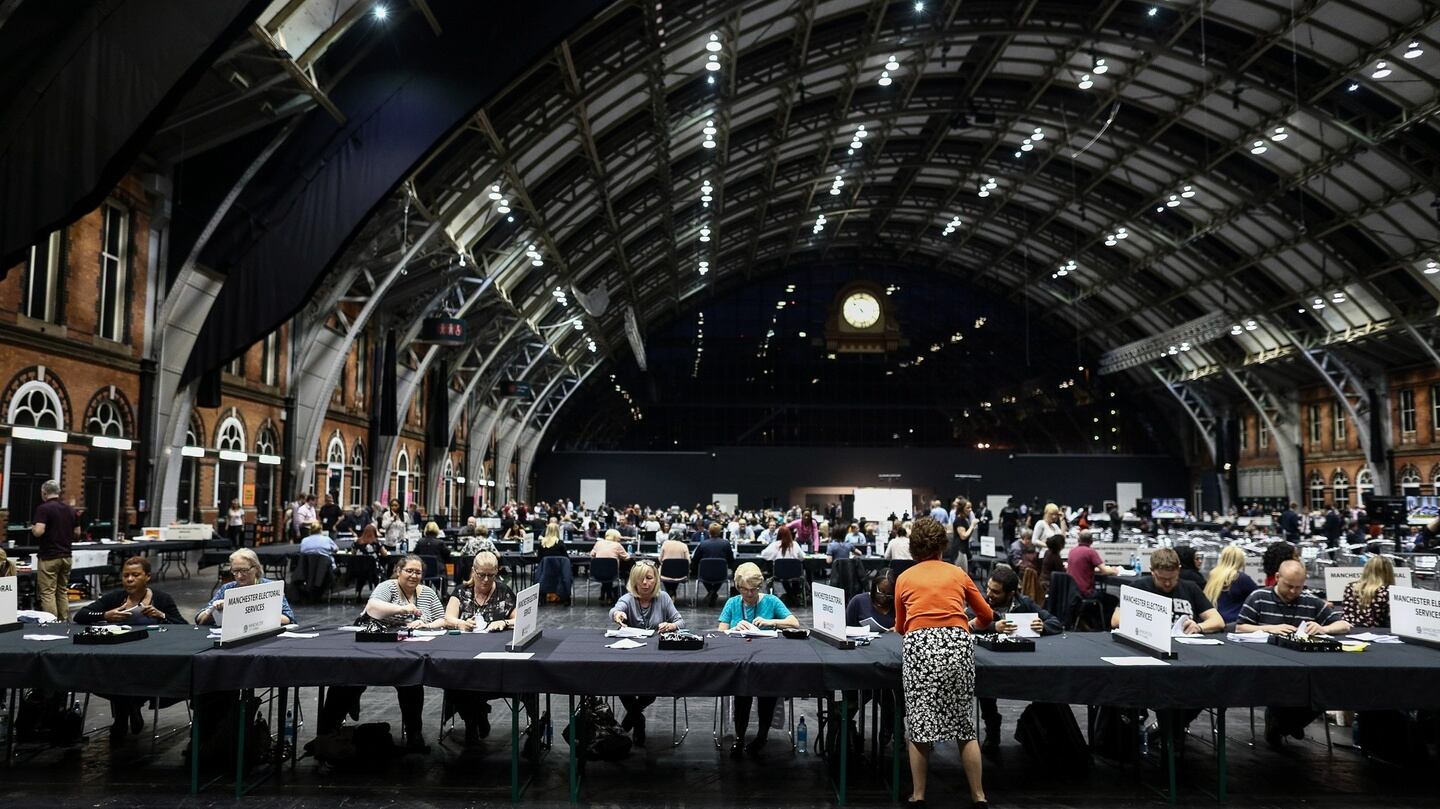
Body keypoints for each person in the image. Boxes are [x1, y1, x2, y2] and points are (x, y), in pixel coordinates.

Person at [895, 516, 992, 809]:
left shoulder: (904, 578)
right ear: (942, 546)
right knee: (964, 725)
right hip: (956, 646)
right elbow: (987, 615)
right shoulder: (958, 573)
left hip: (920, 646)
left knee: (920, 723)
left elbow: (901, 627)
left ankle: (919, 795)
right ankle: (979, 796)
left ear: (913, 548)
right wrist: (965, 624)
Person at [319, 555, 446, 751]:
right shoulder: (388, 587)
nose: (413, 575)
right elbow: (372, 608)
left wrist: (426, 624)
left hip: (409, 650)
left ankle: (414, 734)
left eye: (418, 572)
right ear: (398, 571)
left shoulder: (428, 593)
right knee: (346, 680)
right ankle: (327, 734)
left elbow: (442, 619)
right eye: (409, 571)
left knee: (411, 683)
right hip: (373, 647)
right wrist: (403, 609)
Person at [1237, 560, 1351, 746]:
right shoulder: (1258, 597)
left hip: (1305, 668)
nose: (1293, 592)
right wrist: (1269, 628)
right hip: (1267, 667)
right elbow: (1240, 627)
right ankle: (1284, 722)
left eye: (1298, 587)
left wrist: (1324, 629)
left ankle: (1285, 723)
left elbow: (1344, 625)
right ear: (1277, 578)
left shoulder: (1311, 601)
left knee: (1325, 688)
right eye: (1289, 586)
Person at [74, 556, 187, 740]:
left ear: (147, 576)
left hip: (151, 659)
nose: (129, 579)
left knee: (128, 674)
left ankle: (123, 716)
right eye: (126, 575)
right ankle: (129, 710)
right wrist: (106, 614)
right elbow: (81, 615)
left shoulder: (162, 599)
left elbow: (184, 626)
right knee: (110, 672)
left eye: (135, 575)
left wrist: (162, 615)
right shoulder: (115, 598)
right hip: (116, 656)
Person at [443, 551, 537, 748]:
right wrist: (460, 623)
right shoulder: (461, 592)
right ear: (473, 571)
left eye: (491, 575)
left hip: (498, 658)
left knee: (528, 677)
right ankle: (472, 721)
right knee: (455, 678)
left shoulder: (503, 592)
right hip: (466, 656)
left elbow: (521, 619)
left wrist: (503, 621)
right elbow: (448, 618)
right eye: (481, 574)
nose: (486, 580)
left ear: (497, 572)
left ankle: (535, 727)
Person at [972, 564, 1062, 751]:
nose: (989, 594)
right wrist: (992, 626)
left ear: (1011, 593)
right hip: (991, 660)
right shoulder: (981, 602)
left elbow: (1055, 622)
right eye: (988, 588)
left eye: (995, 592)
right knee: (986, 688)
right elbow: (965, 622)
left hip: (1021, 659)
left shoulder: (1025, 603)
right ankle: (992, 728)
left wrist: (1042, 626)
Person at [717, 562, 799, 756]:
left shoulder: (771, 601)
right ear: (738, 588)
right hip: (739, 660)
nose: (749, 594)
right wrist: (733, 629)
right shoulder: (732, 602)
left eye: (753, 590)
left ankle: (762, 735)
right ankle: (739, 737)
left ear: (759, 587)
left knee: (767, 693)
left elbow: (794, 623)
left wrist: (772, 621)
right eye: (744, 590)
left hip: (767, 660)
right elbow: (720, 632)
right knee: (742, 694)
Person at [611, 561, 683, 745]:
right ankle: (638, 720)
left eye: (649, 578)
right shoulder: (628, 598)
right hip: (630, 655)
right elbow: (615, 610)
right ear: (634, 581)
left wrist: (671, 625)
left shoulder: (664, 597)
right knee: (620, 685)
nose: (645, 583)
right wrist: (617, 616)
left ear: (656, 580)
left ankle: (632, 719)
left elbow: (680, 621)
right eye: (641, 579)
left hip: (656, 656)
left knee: (651, 690)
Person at [1110, 547, 1223, 633]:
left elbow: (1217, 620)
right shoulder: (1138, 587)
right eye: (1162, 579)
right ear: (1152, 571)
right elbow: (1116, 620)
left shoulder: (1191, 588)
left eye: (1172, 578)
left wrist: (1199, 627)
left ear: (1179, 570)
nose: (1167, 583)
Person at [195, 548, 296, 626]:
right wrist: (213, 610)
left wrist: (248, 613)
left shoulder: (270, 587)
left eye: (244, 570)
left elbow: (288, 618)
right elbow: (200, 619)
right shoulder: (227, 589)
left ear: (256, 568)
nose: (239, 576)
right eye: (235, 571)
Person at [30, 479, 79, 620]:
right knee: (62, 591)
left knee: (47, 592)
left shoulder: (43, 508)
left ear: (44, 493)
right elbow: (77, 533)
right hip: (66, 555)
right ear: (59, 492)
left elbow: (39, 531)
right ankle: (64, 622)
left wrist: (33, 528)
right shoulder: (71, 510)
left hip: (49, 556)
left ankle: (52, 624)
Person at [1203, 545, 1258, 623]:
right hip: (1233, 623)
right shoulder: (1241, 578)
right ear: (1241, 560)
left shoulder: (1213, 575)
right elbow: (1258, 597)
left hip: (1214, 621)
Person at [1341, 554, 1394, 627]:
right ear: (1388, 572)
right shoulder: (1387, 591)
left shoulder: (1350, 587)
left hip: (1349, 629)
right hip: (1377, 632)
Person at [691, 522, 734, 607]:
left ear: (709, 532)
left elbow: (695, 559)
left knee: (701, 573)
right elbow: (731, 560)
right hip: (721, 574)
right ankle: (713, 592)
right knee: (721, 573)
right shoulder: (726, 544)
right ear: (719, 532)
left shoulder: (703, 544)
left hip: (705, 575)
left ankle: (711, 592)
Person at [1066, 530, 1119, 599]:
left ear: (1078, 540)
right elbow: (1104, 571)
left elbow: (1083, 568)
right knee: (1113, 599)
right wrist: (1115, 571)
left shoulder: (1072, 551)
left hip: (1071, 591)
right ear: (1091, 541)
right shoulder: (1090, 552)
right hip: (1085, 592)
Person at [590, 528, 631, 602]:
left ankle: (604, 595)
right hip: (612, 573)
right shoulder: (617, 545)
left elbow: (592, 555)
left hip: (597, 573)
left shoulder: (598, 543)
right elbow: (627, 558)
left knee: (604, 569)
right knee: (610, 571)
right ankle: (609, 596)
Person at [351, 523, 388, 598]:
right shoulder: (376, 543)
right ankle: (379, 594)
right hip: (374, 569)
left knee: (361, 577)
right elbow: (384, 554)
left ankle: (358, 593)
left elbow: (353, 553)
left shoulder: (357, 542)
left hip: (359, 569)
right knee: (383, 573)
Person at [658, 529, 691, 597]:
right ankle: (672, 592)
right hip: (681, 575)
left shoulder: (665, 544)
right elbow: (688, 562)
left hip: (665, 573)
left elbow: (660, 559)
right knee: (675, 575)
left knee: (664, 573)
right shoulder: (684, 545)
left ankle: (670, 592)